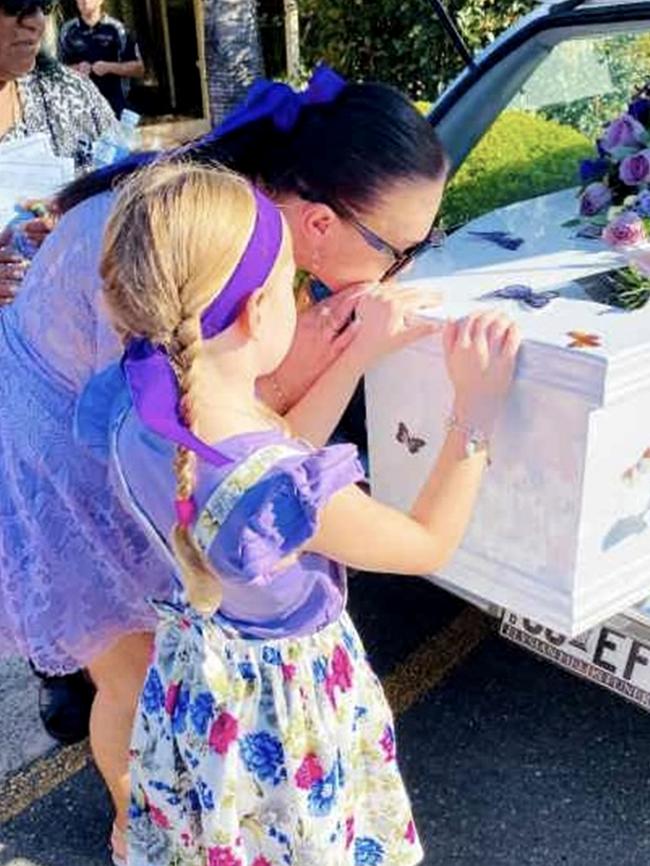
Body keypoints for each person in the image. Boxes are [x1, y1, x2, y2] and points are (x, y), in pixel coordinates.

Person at [0, 66, 450, 862]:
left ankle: (166, 825)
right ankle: (139, 830)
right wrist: (340, 353)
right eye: (399, 249)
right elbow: (239, 427)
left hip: (106, 424)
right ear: (314, 225)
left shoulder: (226, 227)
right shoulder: (206, 259)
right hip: (56, 452)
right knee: (132, 670)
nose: (399, 271)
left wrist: (335, 346)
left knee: (163, 663)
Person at [100, 162, 519, 866]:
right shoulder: (281, 488)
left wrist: (355, 355)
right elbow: (426, 544)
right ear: (257, 312)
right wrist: (475, 411)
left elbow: (274, 447)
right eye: (294, 281)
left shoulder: (139, 417)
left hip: (206, 697)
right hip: (286, 715)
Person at [0, 0, 117, 305]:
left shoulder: (71, 96)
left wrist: (81, 220)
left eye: (41, 4)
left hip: (73, 330)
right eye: (14, 4)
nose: (34, 20)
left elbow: (132, 202)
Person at [58, 0, 144, 119]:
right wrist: (75, 69)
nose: (84, 1)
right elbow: (56, 70)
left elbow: (138, 69)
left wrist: (109, 67)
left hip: (114, 108)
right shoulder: (67, 31)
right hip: (79, 108)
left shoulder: (118, 29)